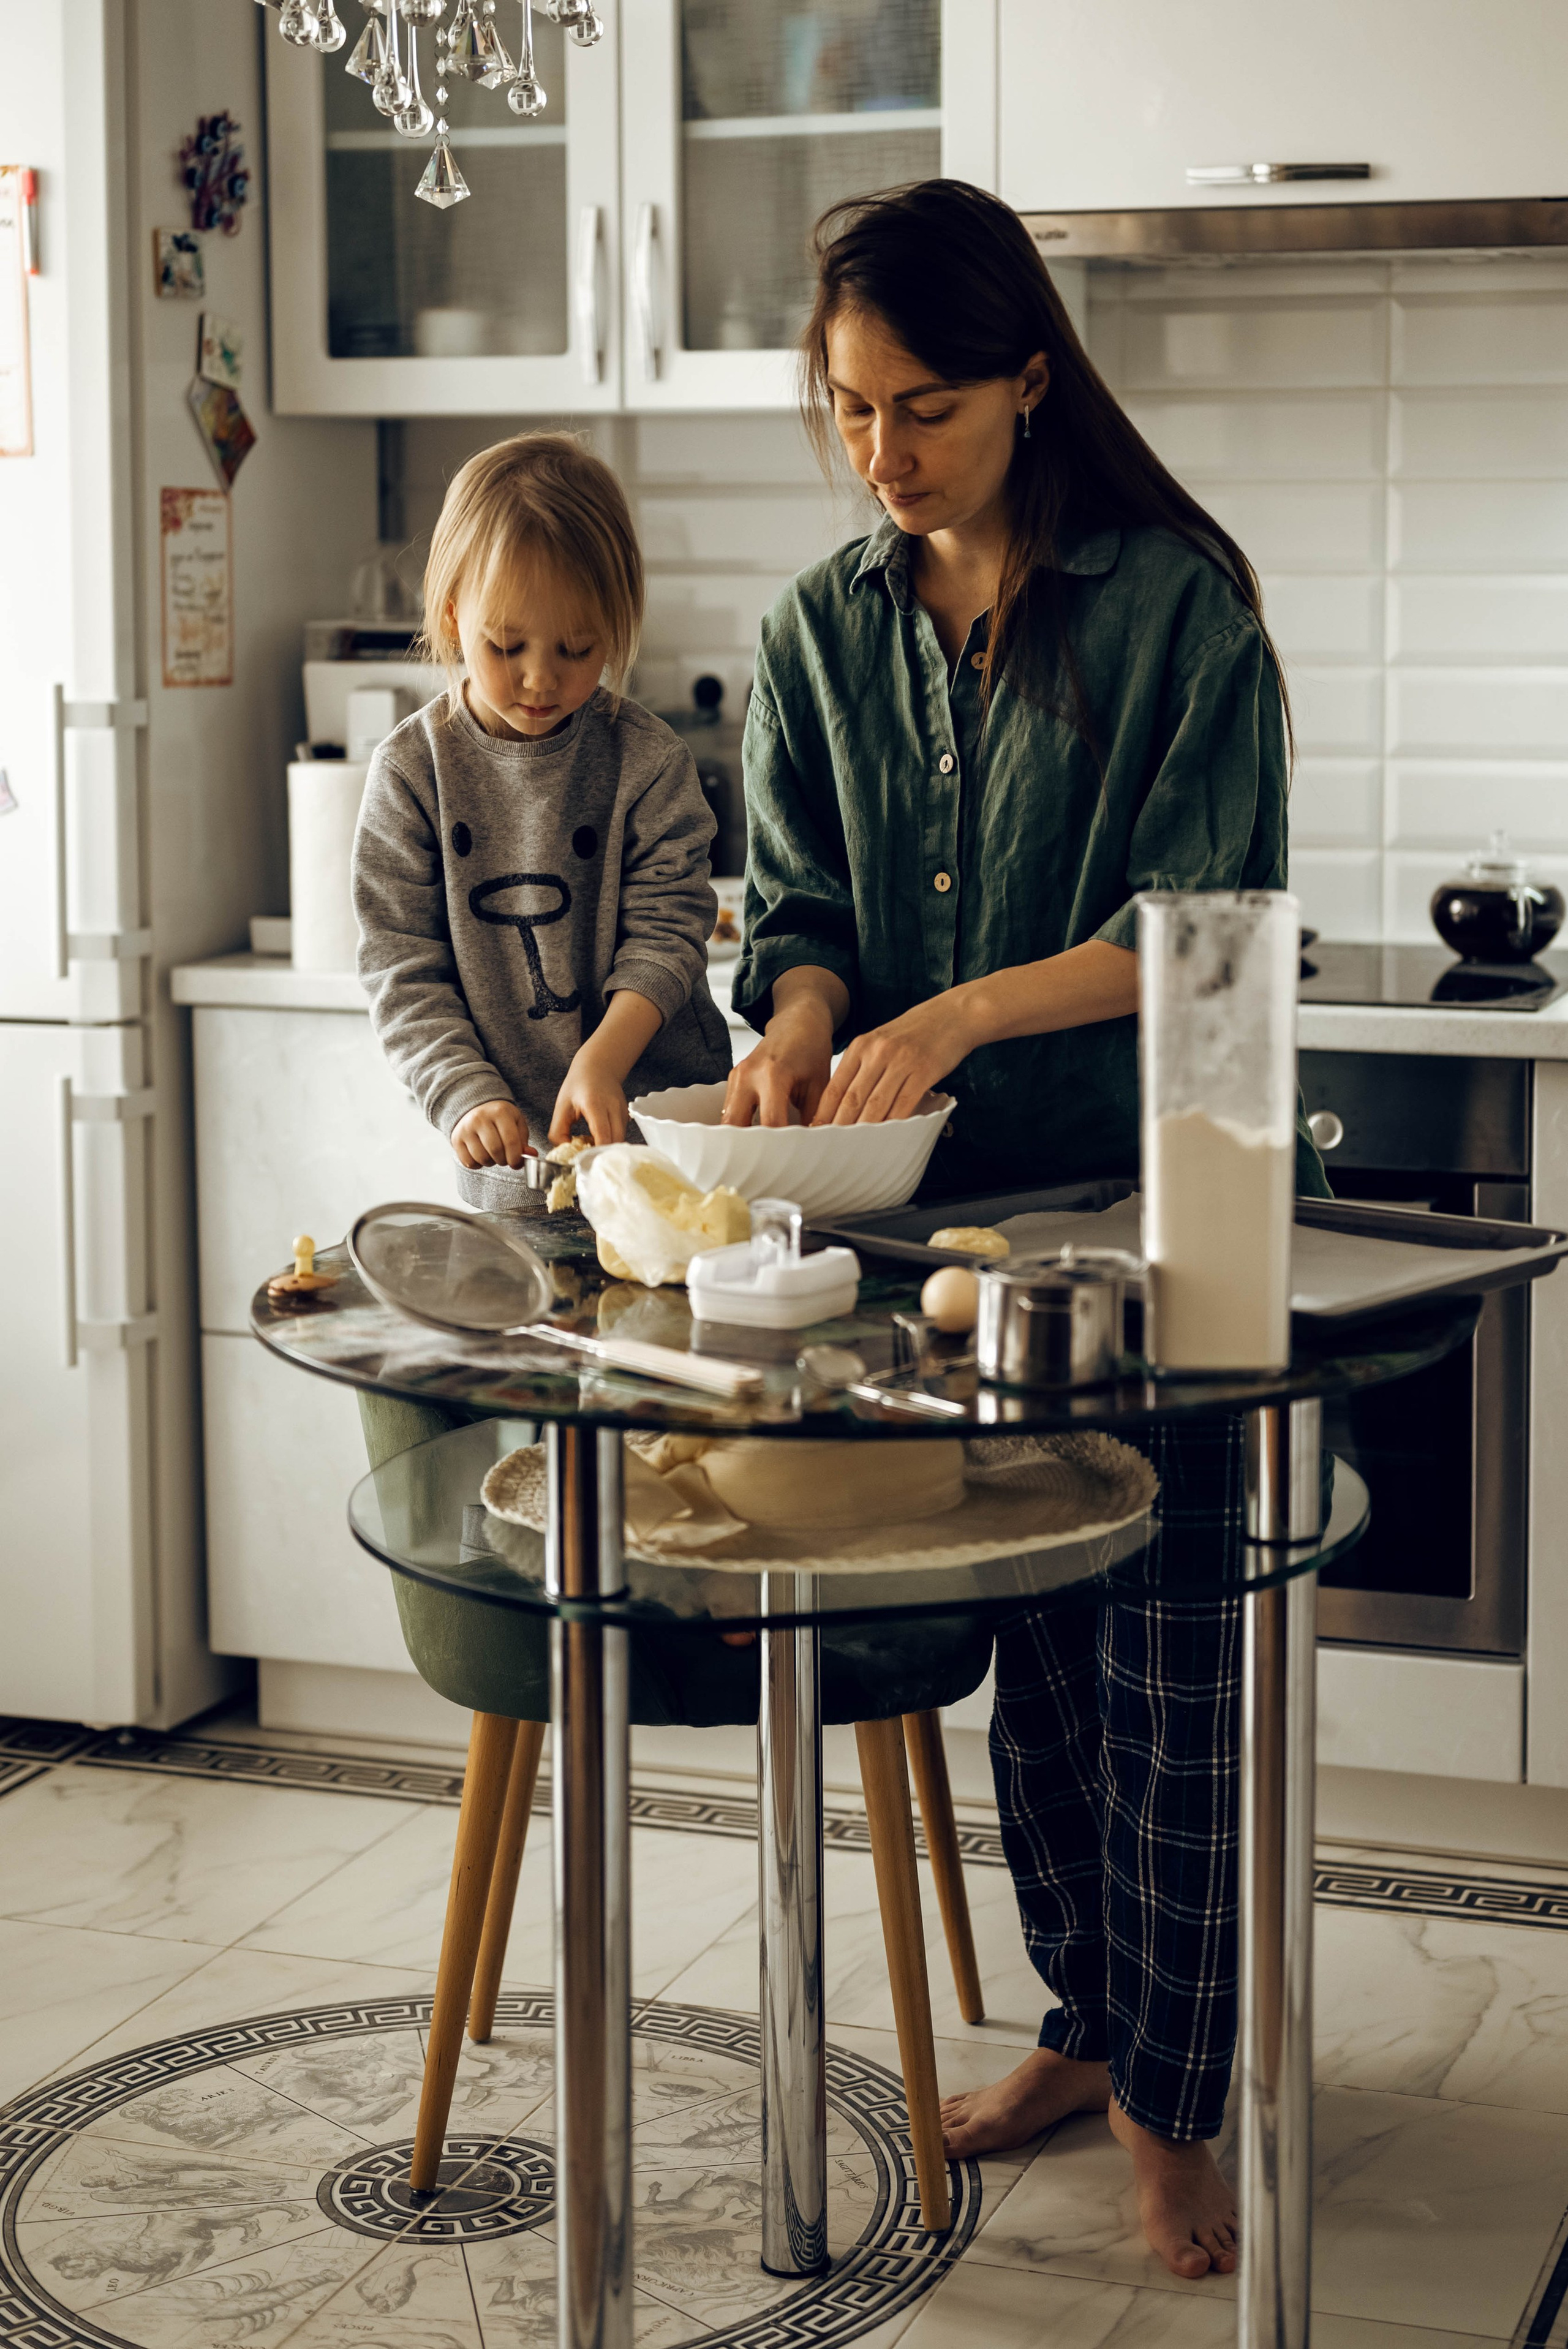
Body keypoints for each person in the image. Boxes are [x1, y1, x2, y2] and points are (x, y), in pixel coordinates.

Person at [725, 179, 1329, 2283]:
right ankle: (1090, 2026)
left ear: (1028, 385)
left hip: (1174, 1199)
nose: (884, 456)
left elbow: (1214, 933)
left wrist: (962, 1007)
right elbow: (793, 915)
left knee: (1169, 1655)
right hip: (938, 1240)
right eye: (852, 411)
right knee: (1035, 1665)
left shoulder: (1177, 612)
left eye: (928, 411)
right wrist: (807, 1025)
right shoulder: (816, 632)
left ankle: (1180, 2106)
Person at [354, 432, 731, 1167]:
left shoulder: (648, 762)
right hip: (517, 1150)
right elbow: (402, 967)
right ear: (456, 615)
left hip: (665, 1129)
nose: (539, 680)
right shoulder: (411, 773)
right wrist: (464, 1091)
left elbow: (668, 933)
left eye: (577, 648)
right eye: (505, 646)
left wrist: (602, 1061)